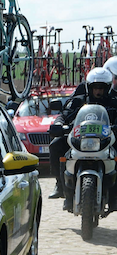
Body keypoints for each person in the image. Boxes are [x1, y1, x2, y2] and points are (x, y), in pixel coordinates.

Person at [48, 66, 117, 208]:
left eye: (102, 88)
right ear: (88, 87)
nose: (98, 91)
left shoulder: (114, 101)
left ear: (108, 88)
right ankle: (60, 185)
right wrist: (59, 124)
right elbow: (64, 114)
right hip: (80, 138)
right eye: (95, 87)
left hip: (107, 139)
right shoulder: (78, 100)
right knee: (56, 144)